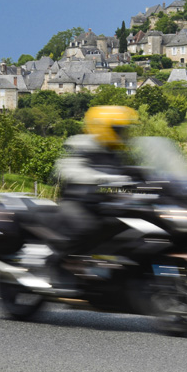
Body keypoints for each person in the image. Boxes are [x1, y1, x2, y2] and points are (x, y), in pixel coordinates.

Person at [53, 105, 140, 277]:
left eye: (124, 130)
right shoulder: (81, 144)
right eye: (119, 130)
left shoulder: (116, 151)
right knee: (86, 227)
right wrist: (101, 178)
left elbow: (132, 172)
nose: (123, 134)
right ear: (105, 128)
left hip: (102, 203)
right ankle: (59, 264)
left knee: (129, 226)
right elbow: (66, 169)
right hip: (75, 202)